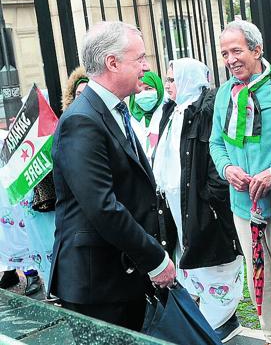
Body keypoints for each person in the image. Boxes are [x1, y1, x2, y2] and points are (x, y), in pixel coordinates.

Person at [49, 21, 176, 330]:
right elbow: (102, 207)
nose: (146, 67)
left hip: (119, 276)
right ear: (112, 62)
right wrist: (155, 258)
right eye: (140, 58)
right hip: (98, 286)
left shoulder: (112, 110)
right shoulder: (82, 119)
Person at [210, 20, 271, 345]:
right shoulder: (224, 93)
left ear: (257, 49)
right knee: (261, 281)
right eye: (225, 53)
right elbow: (216, 142)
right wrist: (227, 169)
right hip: (242, 207)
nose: (230, 59)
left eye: (236, 50)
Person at [153, 58, 244, 342]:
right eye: (167, 80)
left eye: (172, 79)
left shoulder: (205, 111)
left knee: (216, 265)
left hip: (203, 207)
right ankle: (212, 320)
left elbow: (215, 157)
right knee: (193, 264)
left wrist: (209, 200)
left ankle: (224, 321)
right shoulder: (172, 111)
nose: (168, 85)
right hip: (179, 206)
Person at [129, 71, 165, 158]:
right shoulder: (128, 120)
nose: (143, 93)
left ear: (159, 89)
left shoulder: (168, 115)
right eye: (139, 89)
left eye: (148, 89)